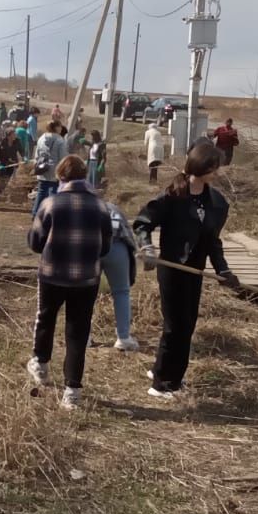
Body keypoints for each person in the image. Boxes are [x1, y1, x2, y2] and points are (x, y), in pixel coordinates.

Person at [133, 140, 239, 400]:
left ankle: (168, 374)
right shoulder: (173, 196)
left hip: (196, 270)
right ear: (201, 165)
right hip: (172, 268)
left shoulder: (216, 203)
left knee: (187, 324)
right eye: (214, 167)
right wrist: (147, 249)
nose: (218, 172)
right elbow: (142, 223)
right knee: (175, 325)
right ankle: (162, 385)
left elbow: (213, 242)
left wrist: (223, 270)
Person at [26, 155, 112, 410]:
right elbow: (105, 246)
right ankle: (72, 390)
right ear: (85, 177)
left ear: (60, 177)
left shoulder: (51, 203)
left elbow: (34, 243)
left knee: (46, 317)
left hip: (52, 274)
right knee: (78, 331)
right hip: (86, 278)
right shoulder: (100, 206)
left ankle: (41, 364)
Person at [99, 201, 139, 352]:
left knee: (86, 294)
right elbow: (128, 233)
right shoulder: (113, 207)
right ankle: (123, 337)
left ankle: (85, 337)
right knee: (122, 292)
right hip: (117, 246)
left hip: (91, 246)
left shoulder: (82, 205)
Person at [31, 120, 69, 217]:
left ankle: (35, 214)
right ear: (56, 128)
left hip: (43, 169)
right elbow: (63, 158)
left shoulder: (41, 138)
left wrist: (37, 164)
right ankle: (51, 215)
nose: (61, 128)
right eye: (60, 126)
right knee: (53, 193)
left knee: (41, 192)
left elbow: (37, 155)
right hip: (55, 170)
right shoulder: (60, 140)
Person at [0, 121, 23, 195]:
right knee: (2, 177)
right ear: (9, 135)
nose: (15, 135)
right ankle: (0, 191)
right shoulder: (3, 142)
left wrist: (24, 157)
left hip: (12, 162)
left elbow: (21, 150)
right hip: (3, 162)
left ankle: (2, 191)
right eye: (14, 134)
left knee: (8, 177)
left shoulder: (17, 141)